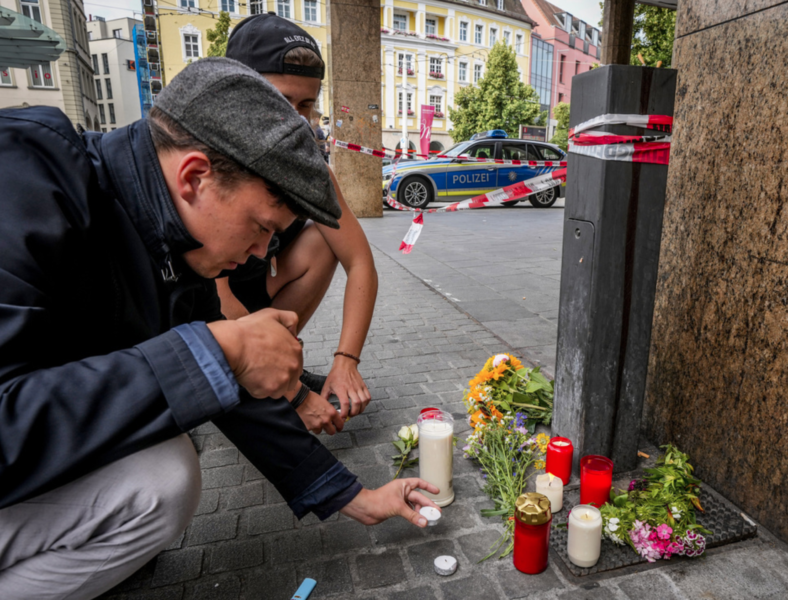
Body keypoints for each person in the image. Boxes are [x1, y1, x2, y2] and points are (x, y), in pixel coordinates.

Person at [0, 58, 439, 599]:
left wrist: (354, 496)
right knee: (164, 474)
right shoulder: (21, 177)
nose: (260, 253)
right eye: (260, 228)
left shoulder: (169, 236)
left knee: (164, 471)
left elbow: (240, 394)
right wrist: (213, 350)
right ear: (194, 177)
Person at [218, 14, 376, 436]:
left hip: (258, 284)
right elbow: (211, 298)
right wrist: (292, 392)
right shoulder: (211, 165)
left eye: (306, 106)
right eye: (280, 101)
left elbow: (360, 261)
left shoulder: (310, 168)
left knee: (325, 242)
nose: (295, 122)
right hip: (204, 309)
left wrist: (346, 361)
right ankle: (245, 377)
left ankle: (274, 362)